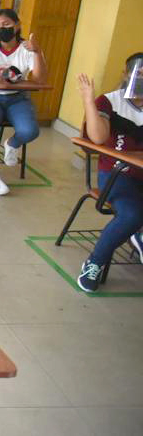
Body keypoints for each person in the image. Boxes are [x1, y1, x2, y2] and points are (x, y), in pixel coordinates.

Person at [75, 53, 143, 292]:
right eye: (138, 74)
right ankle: (94, 263)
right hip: (117, 174)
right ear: (126, 75)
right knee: (132, 214)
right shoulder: (110, 102)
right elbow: (98, 137)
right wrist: (89, 102)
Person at [0, 8, 47, 196]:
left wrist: (37, 52)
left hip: (17, 97)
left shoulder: (27, 47)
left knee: (30, 130)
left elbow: (40, 80)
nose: (1, 29)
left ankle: (12, 144)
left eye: (6, 24)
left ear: (17, 26)